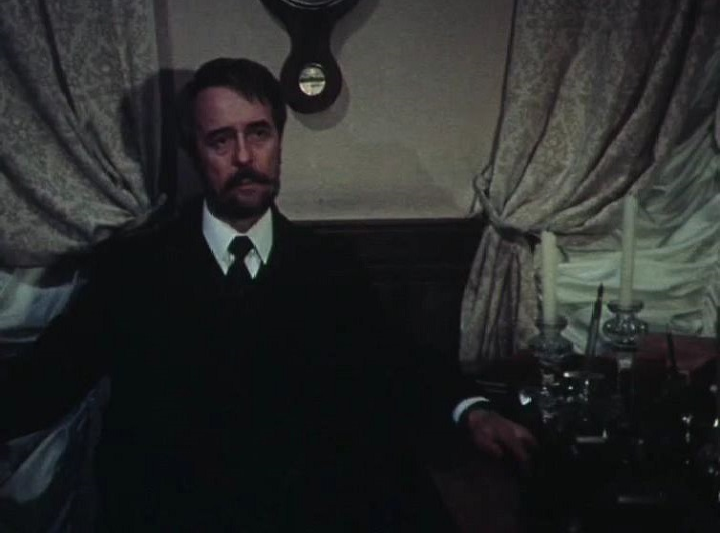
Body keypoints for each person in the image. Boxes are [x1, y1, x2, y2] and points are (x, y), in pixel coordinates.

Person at [2, 58, 535, 531]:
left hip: (301, 510)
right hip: (174, 513)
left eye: (259, 134)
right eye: (220, 140)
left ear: (280, 140)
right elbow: (51, 376)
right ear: (193, 152)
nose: (244, 157)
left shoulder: (329, 265)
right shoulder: (135, 268)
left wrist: (473, 412)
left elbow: (396, 358)